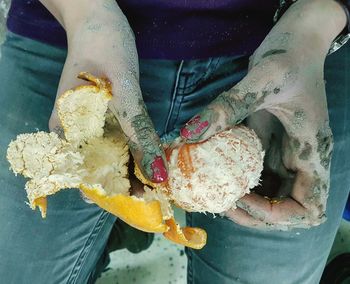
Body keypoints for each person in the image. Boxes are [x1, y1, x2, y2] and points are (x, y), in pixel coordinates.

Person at [0, 0, 349, 283]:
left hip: (294, 43)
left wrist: (318, 20)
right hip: (74, 29)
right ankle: (125, 226)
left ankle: (126, 223)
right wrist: (85, 14)